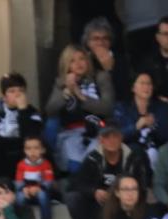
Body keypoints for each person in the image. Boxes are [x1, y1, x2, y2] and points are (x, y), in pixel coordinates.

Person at [44, 45, 115, 174]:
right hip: (72, 130)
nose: (78, 64)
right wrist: (66, 93)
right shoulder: (61, 82)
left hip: (98, 128)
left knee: (92, 160)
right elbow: (50, 110)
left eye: (82, 58)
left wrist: (80, 96)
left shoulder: (101, 77)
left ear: (88, 61)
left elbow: (107, 108)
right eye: (72, 60)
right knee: (75, 165)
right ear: (67, 65)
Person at [0, 73, 45, 190]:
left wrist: (23, 112)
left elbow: (31, 138)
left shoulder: (32, 112)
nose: (17, 95)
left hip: (22, 157)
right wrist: (14, 142)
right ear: (4, 96)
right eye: (12, 91)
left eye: (21, 91)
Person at [112, 73, 168, 166]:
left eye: (149, 84)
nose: (146, 87)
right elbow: (116, 135)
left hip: (158, 152)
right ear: (133, 88)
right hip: (132, 154)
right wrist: (136, 127)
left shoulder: (162, 107)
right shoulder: (122, 108)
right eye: (142, 83)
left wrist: (154, 125)